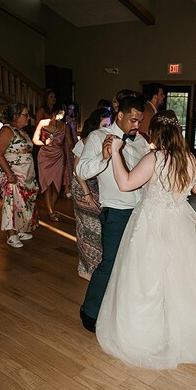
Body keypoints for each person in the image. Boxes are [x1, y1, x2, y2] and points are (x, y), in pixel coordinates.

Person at [96, 111, 196, 369]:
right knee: (184, 276)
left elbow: (126, 184)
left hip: (152, 224)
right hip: (181, 221)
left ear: (156, 133)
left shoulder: (154, 158)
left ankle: (154, 332)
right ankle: (190, 329)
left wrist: (116, 153)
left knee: (150, 276)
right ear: (178, 132)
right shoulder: (189, 158)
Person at [77, 95, 149, 332]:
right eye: (133, 120)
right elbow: (82, 171)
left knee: (135, 262)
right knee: (110, 262)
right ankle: (90, 312)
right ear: (120, 115)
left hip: (142, 210)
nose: (137, 125)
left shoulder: (141, 141)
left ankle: (123, 309)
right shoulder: (98, 137)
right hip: (116, 210)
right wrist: (104, 157)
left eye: (140, 121)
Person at [71, 108, 111, 280]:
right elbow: (77, 171)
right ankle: (86, 269)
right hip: (82, 187)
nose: (107, 129)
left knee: (95, 227)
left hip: (95, 186)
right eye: (104, 125)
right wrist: (87, 194)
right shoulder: (85, 142)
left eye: (109, 125)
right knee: (89, 226)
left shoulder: (105, 141)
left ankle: (89, 267)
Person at [0, 102, 39, 248]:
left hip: (25, 174)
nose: (28, 118)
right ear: (15, 116)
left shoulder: (22, 131)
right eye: (25, 115)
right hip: (12, 173)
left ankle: (19, 230)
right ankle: (11, 234)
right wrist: (9, 174)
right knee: (11, 203)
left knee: (23, 203)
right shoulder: (6, 130)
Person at [33, 105, 73, 221]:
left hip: (58, 157)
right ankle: (50, 212)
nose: (60, 116)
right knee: (47, 185)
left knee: (57, 186)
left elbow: (70, 143)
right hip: (45, 156)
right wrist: (44, 142)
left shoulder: (65, 127)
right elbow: (35, 139)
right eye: (58, 113)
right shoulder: (43, 123)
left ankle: (51, 208)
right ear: (53, 113)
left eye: (62, 113)